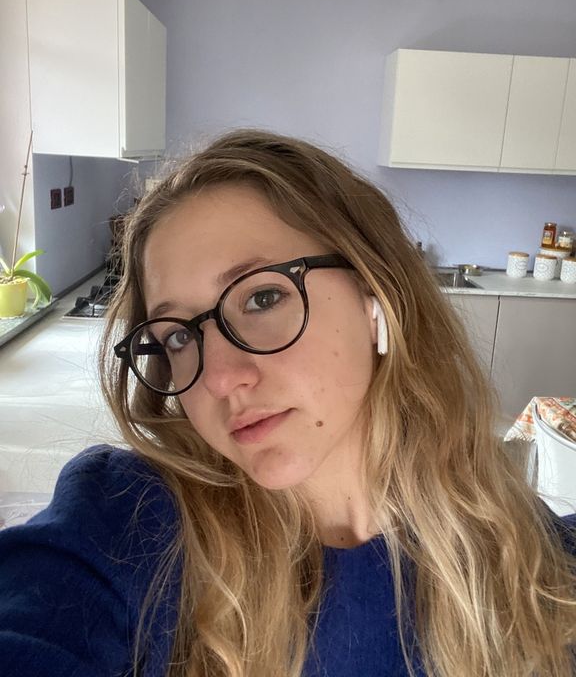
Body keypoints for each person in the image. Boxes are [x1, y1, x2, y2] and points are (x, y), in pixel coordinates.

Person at [0, 130, 575, 677]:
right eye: (177, 335)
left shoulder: (531, 561)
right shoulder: (128, 519)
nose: (220, 379)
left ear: (375, 295)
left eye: (262, 297)